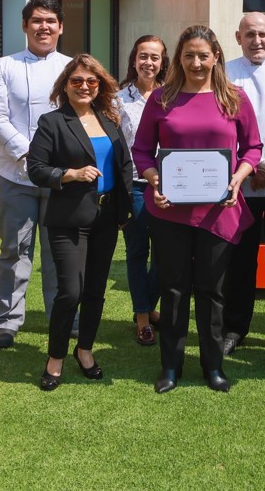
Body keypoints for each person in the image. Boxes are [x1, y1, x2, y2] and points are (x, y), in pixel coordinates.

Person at [132, 26, 262, 394]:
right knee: (174, 290)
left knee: (212, 290)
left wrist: (238, 178)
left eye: (203, 55)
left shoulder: (234, 99)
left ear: (216, 57)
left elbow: (253, 147)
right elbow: (141, 150)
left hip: (218, 211)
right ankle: (171, 366)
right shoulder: (161, 98)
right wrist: (155, 180)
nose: (196, 62)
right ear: (180, 58)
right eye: (189, 55)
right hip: (170, 210)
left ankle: (213, 366)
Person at [27, 54, 135, 391]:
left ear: (100, 85)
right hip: (69, 219)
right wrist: (69, 174)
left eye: (91, 81)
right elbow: (35, 168)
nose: (84, 86)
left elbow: (124, 166)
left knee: (95, 292)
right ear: (65, 86)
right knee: (70, 291)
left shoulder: (109, 120)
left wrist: (123, 212)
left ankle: (84, 350)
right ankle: (55, 359)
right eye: (77, 81)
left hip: (106, 219)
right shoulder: (52, 122)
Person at [0, 0, 72, 349]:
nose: (43, 27)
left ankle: (61, 316)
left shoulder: (71, 68)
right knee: (14, 251)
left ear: (61, 27)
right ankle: (8, 320)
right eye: (36, 20)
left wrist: (52, 166)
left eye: (51, 20)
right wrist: (29, 157)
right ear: (25, 26)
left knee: (58, 251)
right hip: (14, 176)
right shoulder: (3, 67)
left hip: (60, 178)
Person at [222, 12, 265, 357]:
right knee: (240, 260)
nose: (257, 41)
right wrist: (248, 167)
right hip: (239, 182)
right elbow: (218, 129)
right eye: (249, 34)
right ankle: (235, 326)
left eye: (263, 34)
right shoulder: (223, 73)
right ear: (238, 37)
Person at [117, 35, 169, 346]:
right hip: (134, 185)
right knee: (137, 253)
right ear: (134, 59)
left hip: (169, 186)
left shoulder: (171, 96)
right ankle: (142, 316)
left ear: (164, 62)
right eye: (143, 56)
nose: (149, 62)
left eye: (155, 57)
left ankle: (147, 307)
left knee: (166, 256)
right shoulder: (117, 99)